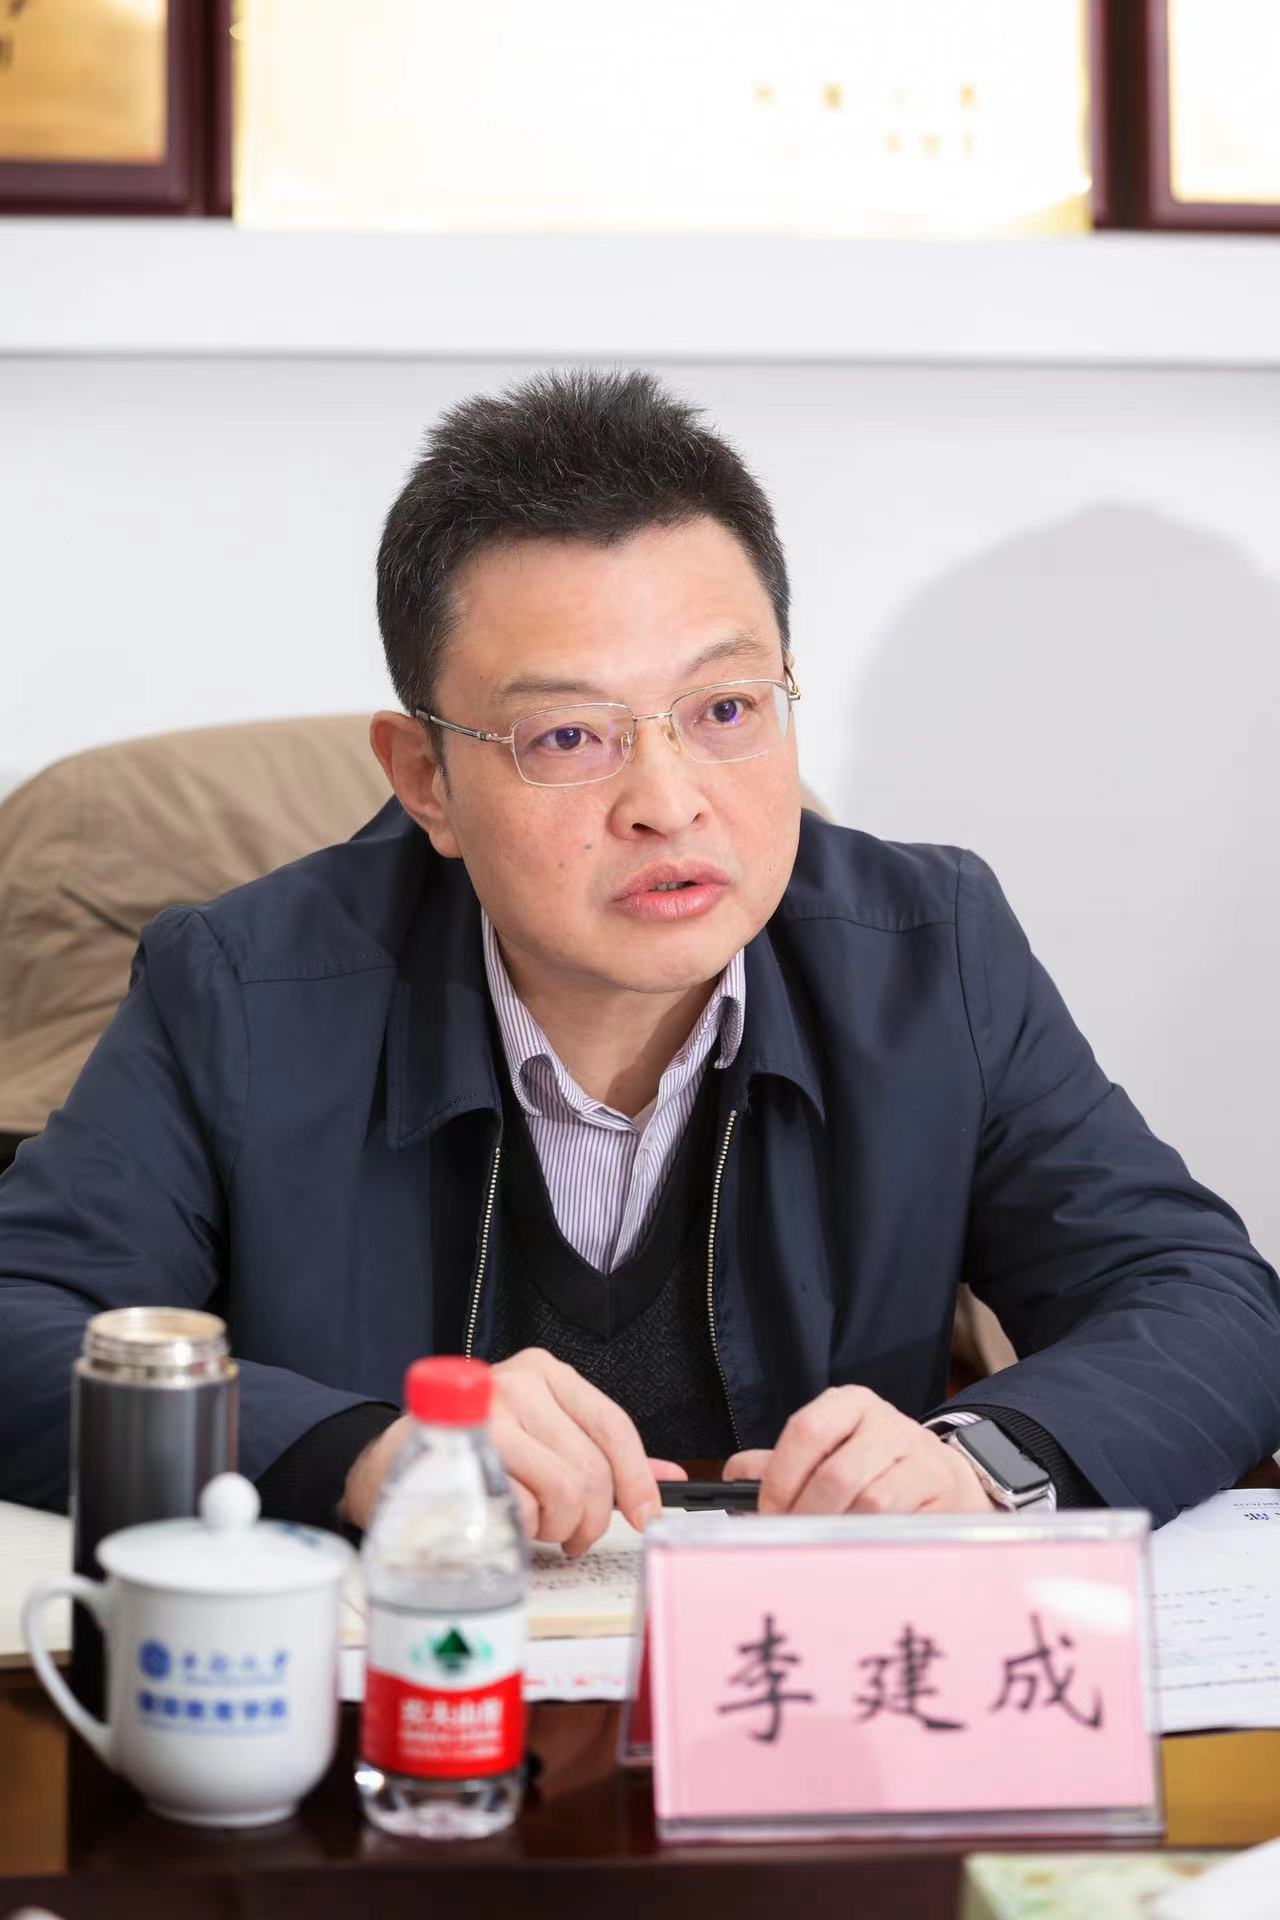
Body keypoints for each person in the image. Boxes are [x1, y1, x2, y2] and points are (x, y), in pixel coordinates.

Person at [2, 369, 1278, 1550]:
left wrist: (979, 1463)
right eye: (568, 735)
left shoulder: (927, 956)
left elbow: (1202, 1297)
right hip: (421, 1672)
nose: (668, 803)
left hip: (796, 1682)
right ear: (424, 779)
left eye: (724, 710)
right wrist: (361, 1454)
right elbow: (20, 1321)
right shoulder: (242, 991)